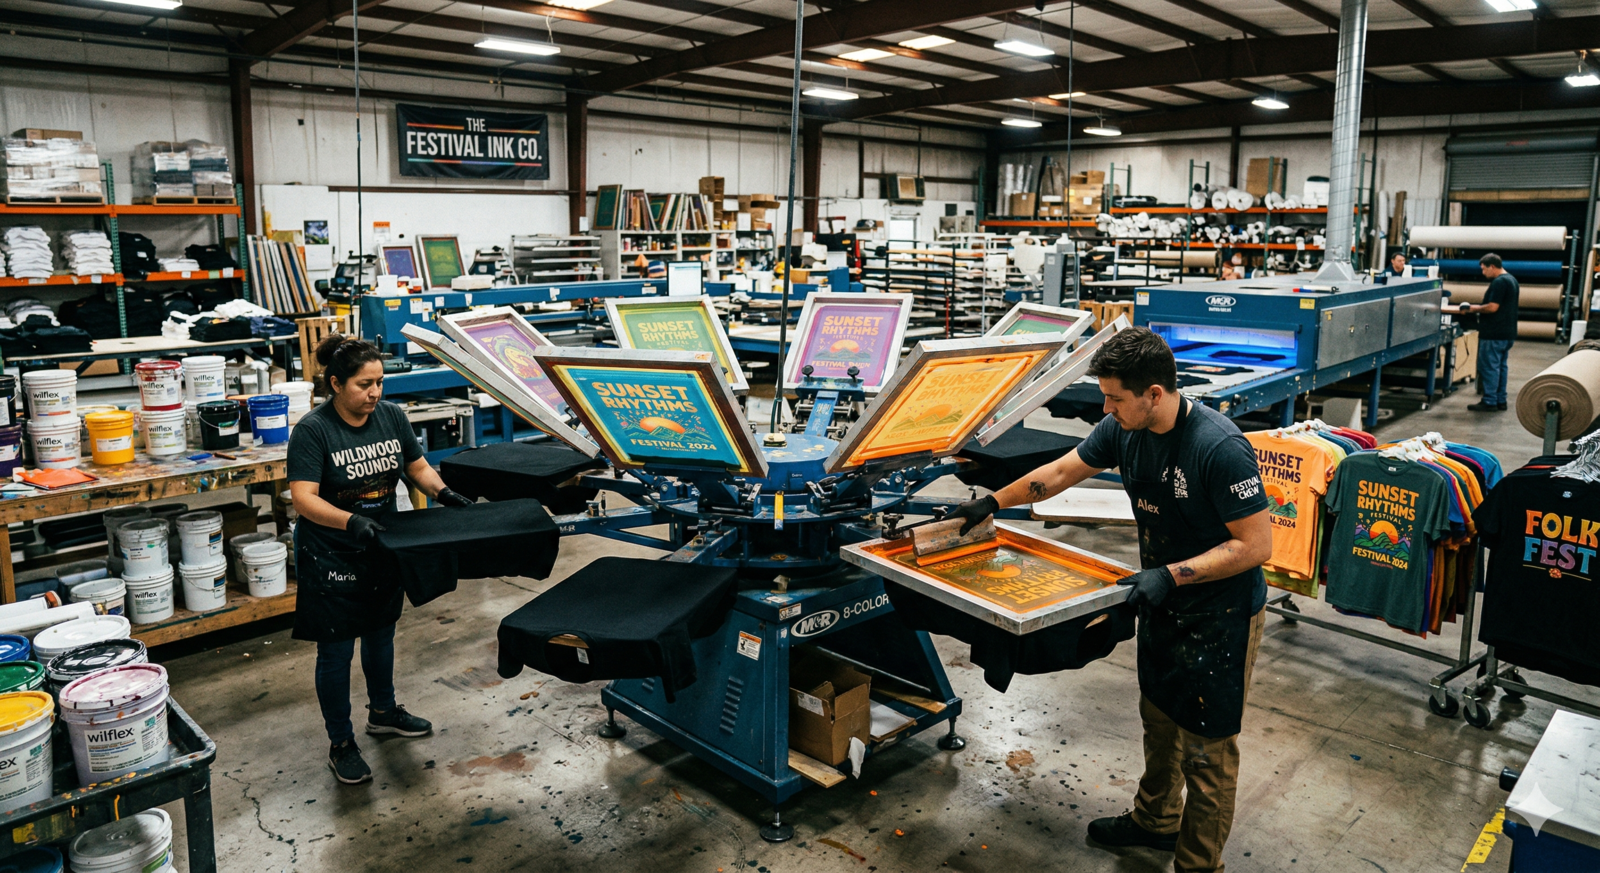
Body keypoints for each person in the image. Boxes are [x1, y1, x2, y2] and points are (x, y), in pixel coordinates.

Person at [946, 327, 1273, 873]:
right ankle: (1156, 820)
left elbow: (1256, 545)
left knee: (1206, 750)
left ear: (1154, 394)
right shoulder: (1123, 429)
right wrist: (990, 504)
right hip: (1162, 598)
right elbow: (1061, 472)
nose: (1105, 407)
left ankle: (1198, 864)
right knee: (1159, 718)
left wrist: (1170, 575)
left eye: (1115, 397)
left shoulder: (1218, 448)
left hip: (1221, 615)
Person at [288, 334, 474, 785]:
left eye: (379, 383)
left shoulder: (391, 416)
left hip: (381, 544)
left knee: (380, 634)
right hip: (331, 550)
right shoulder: (314, 430)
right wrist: (351, 522)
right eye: (363, 384)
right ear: (336, 384)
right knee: (335, 651)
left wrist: (443, 492)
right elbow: (303, 499)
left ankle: (384, 712)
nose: (374, 393)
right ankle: (341, 743)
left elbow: (416, 467)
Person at [1459, 253, 1519, 412]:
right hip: (1507, 333)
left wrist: (1471, 308)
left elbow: (1492, 307)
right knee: (1500, 367)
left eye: (1484, 269)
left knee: (1489, 367)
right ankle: (1500, 400)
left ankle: (1490, 400)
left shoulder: (1499, 282)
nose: (1483, 273)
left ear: (1492, 266)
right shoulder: (1512, 280)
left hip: (1494, 333)